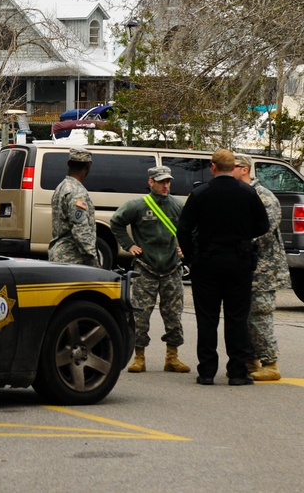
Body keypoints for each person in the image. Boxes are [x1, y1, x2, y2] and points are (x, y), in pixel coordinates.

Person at [177, 149, 270, 386]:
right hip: (239, 262)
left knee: (207, 318)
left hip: (207, 263)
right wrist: (242, 236)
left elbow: (184, 228)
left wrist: (190, 257)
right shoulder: (248, 193)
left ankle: (207, 371)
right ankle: (238, 371)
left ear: (213, 167)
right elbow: (263, 225)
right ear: (232, 167)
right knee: (236, 317)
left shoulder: (200, 193)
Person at [110, 165, 190, 374]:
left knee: (173, 315)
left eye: (168, 182)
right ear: (151, 182)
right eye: (162, 181)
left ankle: (172, 357)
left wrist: (185, 248)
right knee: (140, 315)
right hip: (146, 269)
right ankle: (139, 357)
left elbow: (190, 229)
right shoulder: (137, 206)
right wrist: (129, 245)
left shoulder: (177, 206)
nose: (166, 185)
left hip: (172, 269)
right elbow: (116, 222)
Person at [233, 153, 291, 381]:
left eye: (234, 167)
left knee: (260, 315)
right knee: (245, 317)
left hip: (264, 270)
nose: (231, 171)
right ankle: (251, 360)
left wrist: (234, 239)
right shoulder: (241, 194)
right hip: (246, 267)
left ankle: (270, 363)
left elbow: (264, 228)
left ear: (244, 169)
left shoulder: (263, 196)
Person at [48, 147, 98, 266]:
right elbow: (80, 229)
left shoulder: (62, 186)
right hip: (72, 259)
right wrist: (93, 258)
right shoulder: (76, 192)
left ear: (69, 164)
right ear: (88, 166)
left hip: (60, 256)